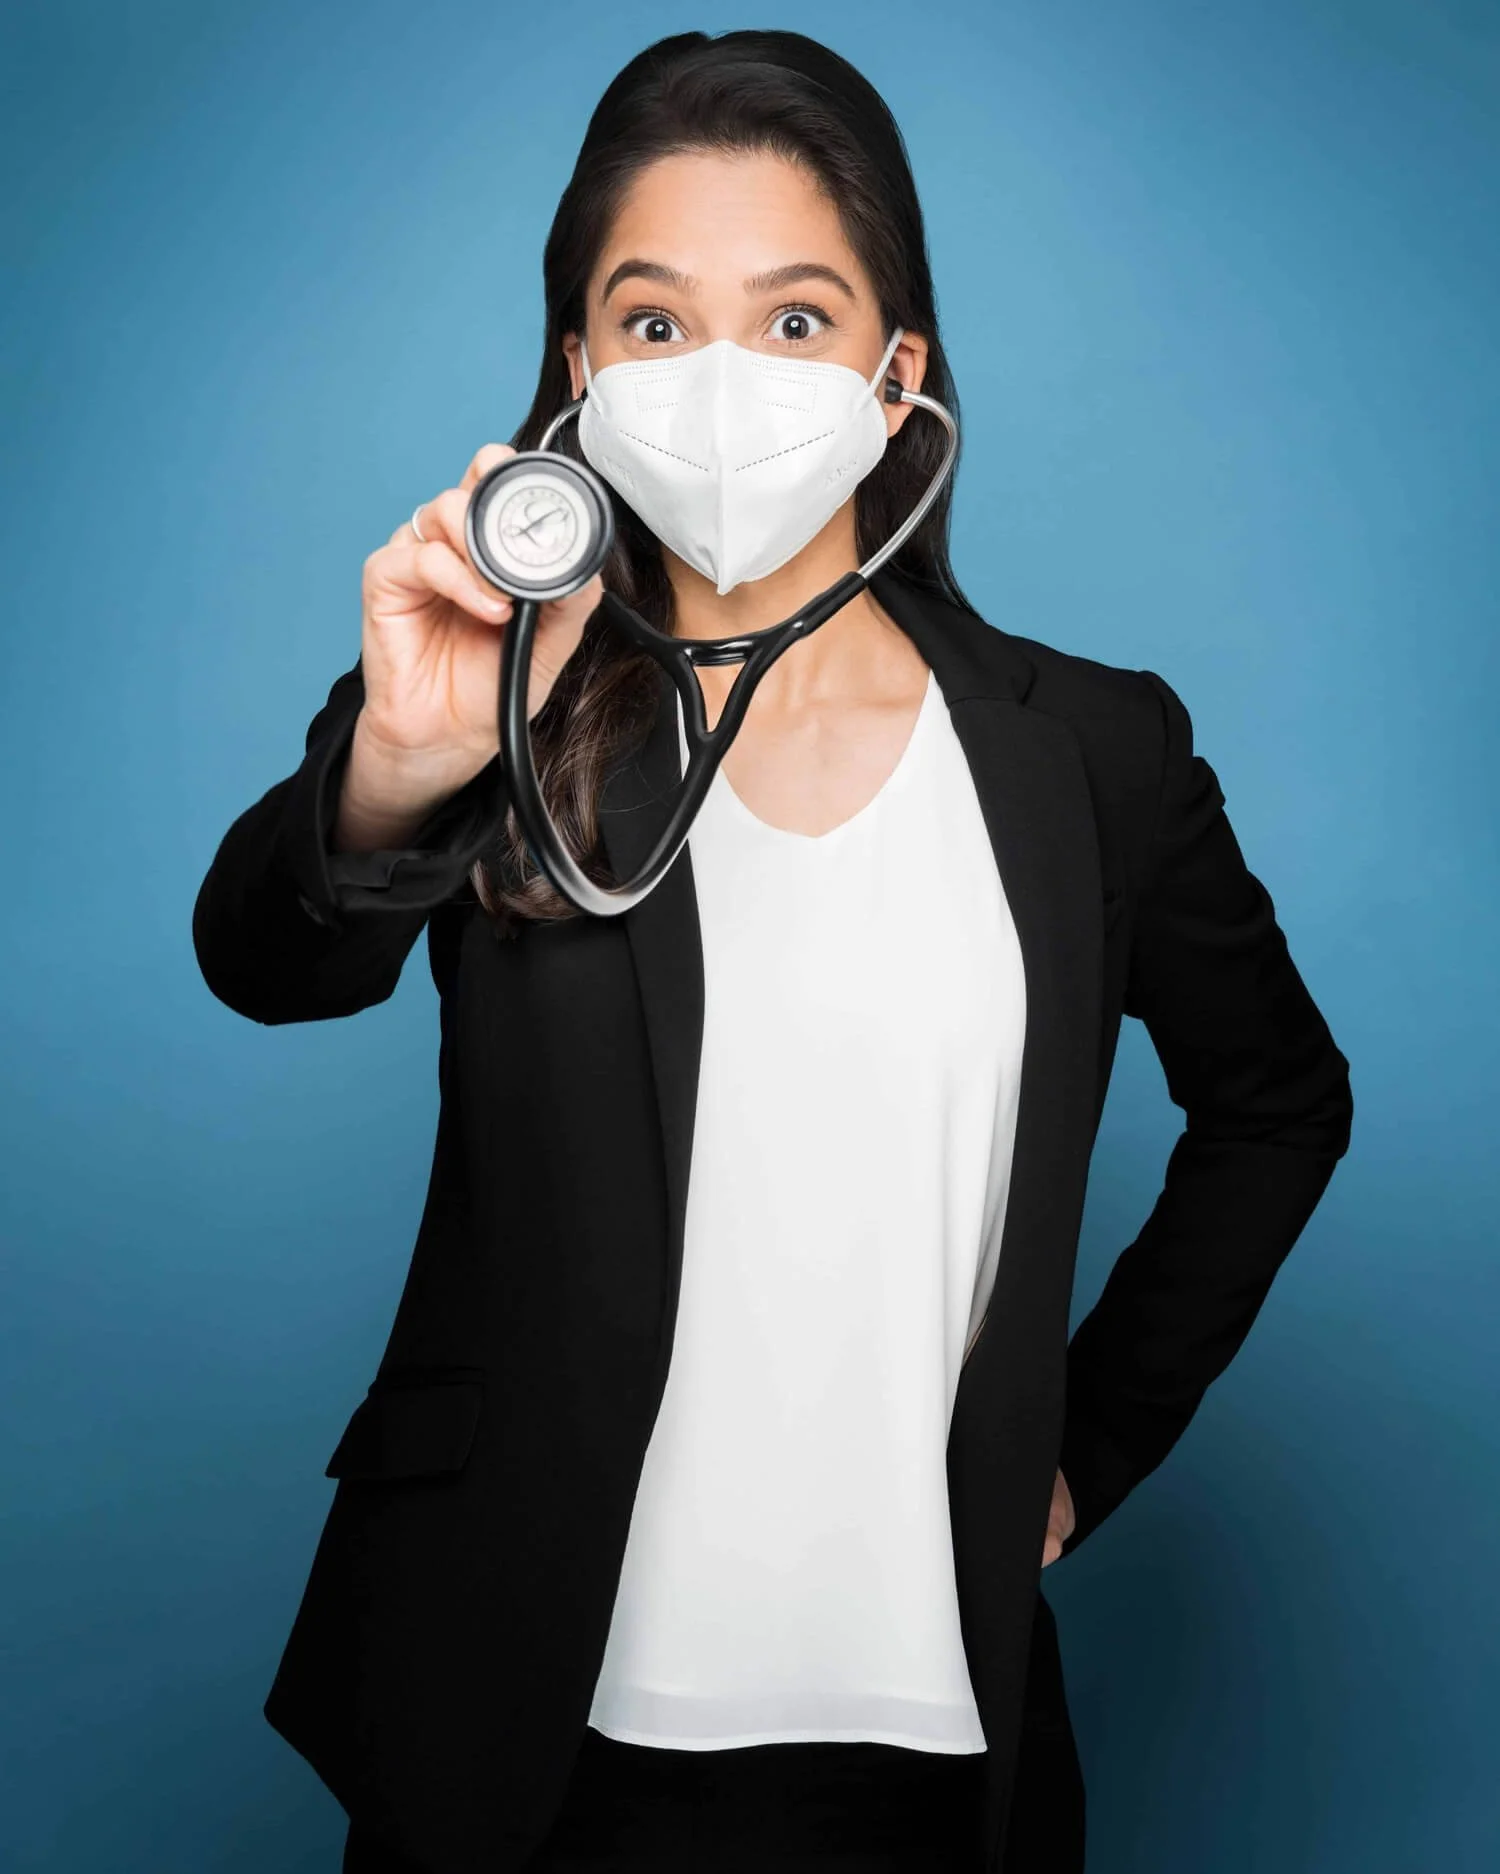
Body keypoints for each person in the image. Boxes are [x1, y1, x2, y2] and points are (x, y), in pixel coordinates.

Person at [191, 28, 1354, 1874]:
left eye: (795, 318)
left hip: (920, 1717)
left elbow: (1280, 1102)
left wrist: (1090, 1438)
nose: (722, 380)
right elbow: (267, 961)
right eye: (656, 321)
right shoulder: (500, 691)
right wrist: (402, 761)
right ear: (581, 370)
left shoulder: (1092, 753)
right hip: (521, 1715)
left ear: (900, 375)